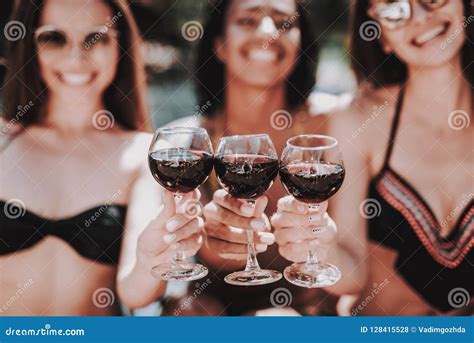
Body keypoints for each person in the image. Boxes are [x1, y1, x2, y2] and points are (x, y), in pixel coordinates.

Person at [0, 0, 203, 315]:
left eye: (96, 38)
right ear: (30, 45)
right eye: (54, 38)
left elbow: (136, 293)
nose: (76, 57)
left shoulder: (143, 153)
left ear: (120, 46)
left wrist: (153, 255)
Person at [272, 0, 473, 315]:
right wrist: (320, 246)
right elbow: (351, 279)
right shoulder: (359, 121)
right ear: (381, 36)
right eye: (394, 10)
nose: (420, 17)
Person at [163, 0, 341, 316]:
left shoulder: (334, 127)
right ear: (219, 45)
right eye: (248, 20)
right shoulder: (184, 144)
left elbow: (356, 273)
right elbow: (159, 264)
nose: (268, 32)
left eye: (284, 22)